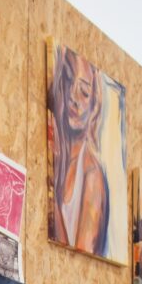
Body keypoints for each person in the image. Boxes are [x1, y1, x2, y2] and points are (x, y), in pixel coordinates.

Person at [49, 47, 108, 256]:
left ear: (94, 106)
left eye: (84, 92)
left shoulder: (92, 175)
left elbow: (76, 262)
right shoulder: (58, 153)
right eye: (68, 80)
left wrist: (52, 190)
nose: (74, 97)